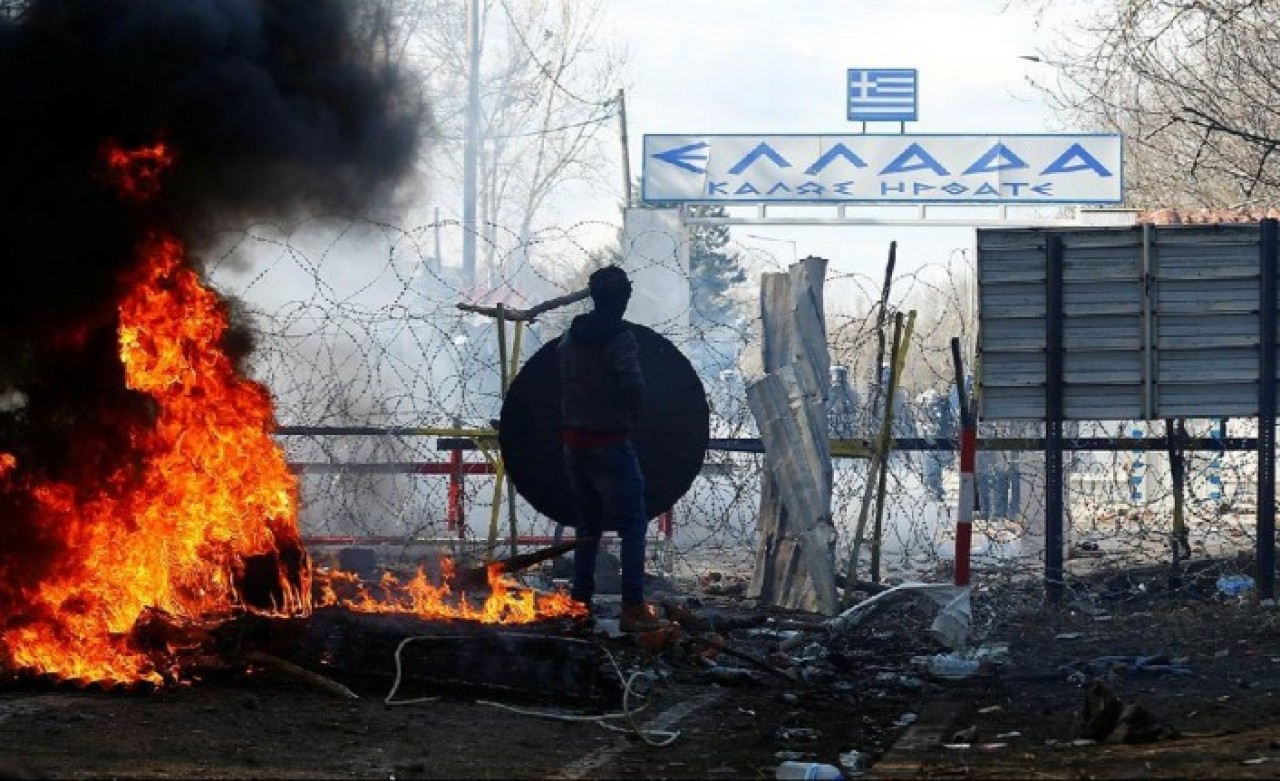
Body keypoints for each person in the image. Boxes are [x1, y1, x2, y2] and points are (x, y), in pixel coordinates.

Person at [558, 265, 666, 633]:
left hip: (575, 444)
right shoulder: (619, 337)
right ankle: (632, 606)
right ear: (623, 298)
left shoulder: (571, 337)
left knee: (587, 526)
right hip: (610, 443)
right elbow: (633, 383)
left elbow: (561, 377)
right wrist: (630, 416)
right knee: (633, 525)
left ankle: (579, 602)